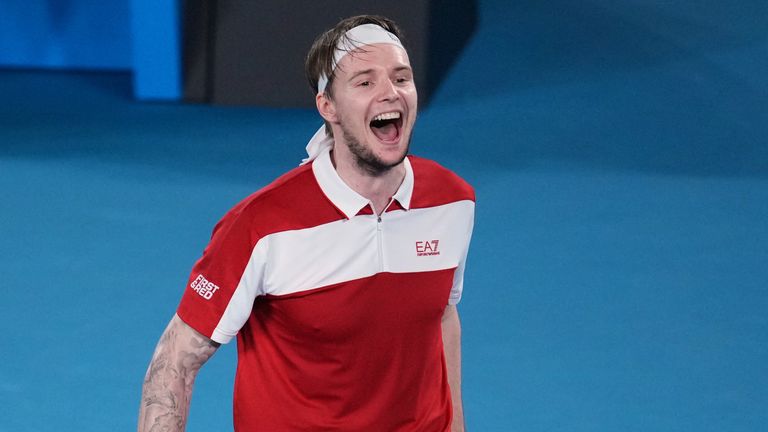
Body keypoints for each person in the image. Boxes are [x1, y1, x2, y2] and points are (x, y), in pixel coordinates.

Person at [138, 14, 475, 432]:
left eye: (401, 78)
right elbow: (174, 362)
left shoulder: (452, 201)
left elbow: (442, 315)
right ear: (327, 107)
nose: (390, 92)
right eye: (365, 82)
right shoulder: (261, 226)